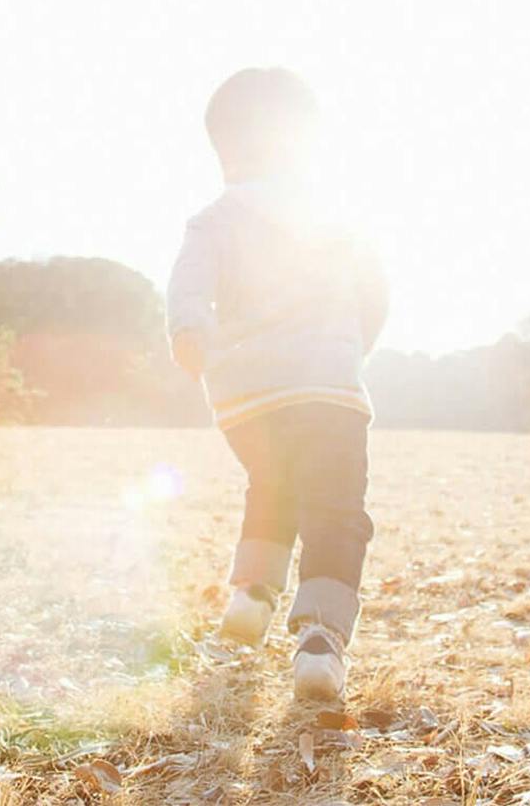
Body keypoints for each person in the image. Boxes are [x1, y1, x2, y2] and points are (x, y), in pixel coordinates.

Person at [165, 67, 388, 702]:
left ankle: (250, 595)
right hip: (326, 386)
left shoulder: (213, 218)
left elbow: (189, 283)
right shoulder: (337, 215)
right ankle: (319, 638)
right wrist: (353, 346)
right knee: (334, 509)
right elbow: (375, 292)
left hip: (245, 396)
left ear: (224, 150)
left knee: (272, 484)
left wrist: (189, 333)